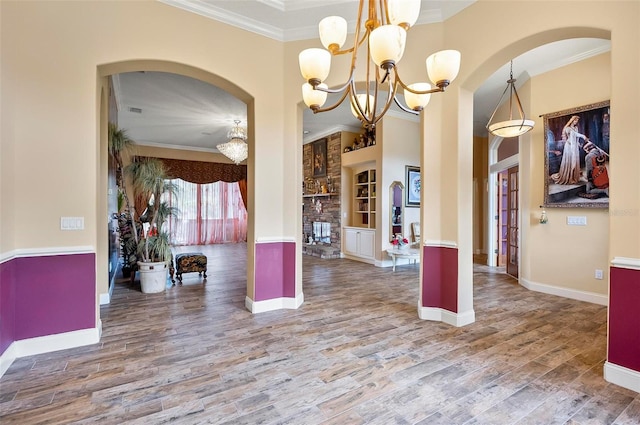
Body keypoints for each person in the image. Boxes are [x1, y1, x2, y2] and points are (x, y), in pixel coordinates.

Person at [552, 115, 589, 185]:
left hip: (574, 146)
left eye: (577, 121)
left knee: (575, 161)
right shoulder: (568, 128)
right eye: (575, 120)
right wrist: (583, 136)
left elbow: (576, 137)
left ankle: (573, 176)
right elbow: (575, 135)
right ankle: (568, 177)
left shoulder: (576, 128)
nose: (576, 122)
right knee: (570, 161)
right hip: (569, 146)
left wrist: (578, 143)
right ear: (572, 120)